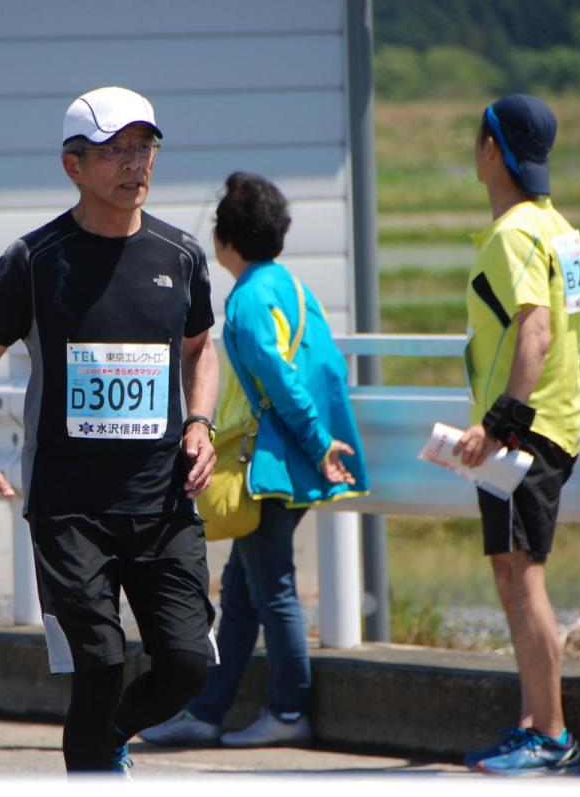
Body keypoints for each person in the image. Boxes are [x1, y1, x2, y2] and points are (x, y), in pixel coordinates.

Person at [0, 86, 220, 775]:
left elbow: (199, 347)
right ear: (74, 166)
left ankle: (109, 739)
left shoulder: (181, 254)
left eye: (144, 147)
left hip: (162, 501)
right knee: (98, 666)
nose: (136, 165)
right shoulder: (35, 260)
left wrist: (199, 421)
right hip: (71, 508)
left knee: (189, 662)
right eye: (116, 151)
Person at [140, 172, 370, 749]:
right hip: (291, 461)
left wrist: (317, 443)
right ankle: (208, 710)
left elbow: (282, 380)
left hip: (270, 465)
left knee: (274, 592)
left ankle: (289, 711)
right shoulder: (292, 288)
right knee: (241, 594)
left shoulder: (243, 303)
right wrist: (324, 441)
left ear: (225, 241)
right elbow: (324, 371)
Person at [453, 94, 580, 776]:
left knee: (524, 578)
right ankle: (531, 721)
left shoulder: (513, 233)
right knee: (511, 571)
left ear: (493, 150)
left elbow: (537, 326)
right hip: (557, 425)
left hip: (523, 435)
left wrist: (502, 422)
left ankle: (550, 738)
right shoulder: (558, 228)